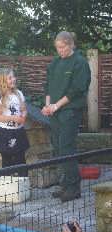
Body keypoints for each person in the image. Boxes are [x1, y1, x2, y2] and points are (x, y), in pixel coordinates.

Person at [41, 31, 91, 202]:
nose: (60, 51)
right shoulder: (55, 63)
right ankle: (64, 184)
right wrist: (48, 106)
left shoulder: (80, 63)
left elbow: (77, 90)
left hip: (70, 111)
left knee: (67, 146)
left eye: (62, 47)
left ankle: (74, 187)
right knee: (57, 147)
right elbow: (47, 85)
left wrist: (57, 105)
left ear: (71, 45)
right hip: (54, 111)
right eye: (57, 48)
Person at [0, 68, 29, 176]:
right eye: (10, 78)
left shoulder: (19, 94)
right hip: (4, 132)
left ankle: (23, 185)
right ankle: (8, 187)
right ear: (3, 81)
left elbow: (24, 110)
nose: (14, 79)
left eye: (13, 77)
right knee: (6, 159)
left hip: (18, 131)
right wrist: (13, 118)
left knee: (21, 158)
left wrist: (23, 117)